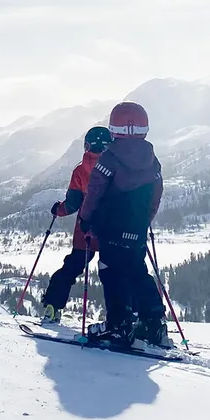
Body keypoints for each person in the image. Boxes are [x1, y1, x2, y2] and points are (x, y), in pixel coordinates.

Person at [78, 101, 173, 349]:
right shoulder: (153, 161)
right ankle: (153, 324)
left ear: (114, 127)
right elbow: (155, 196)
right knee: (137, 272)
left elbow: (94, 191)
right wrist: (143, 222)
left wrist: (86, 219)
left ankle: (119, 325)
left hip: (110, 227)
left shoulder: (109, 159)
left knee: (111, 272)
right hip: (137, 227)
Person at [40, 126, 113, 324]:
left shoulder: (80, 170)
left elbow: (72, 203)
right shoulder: (119, 167)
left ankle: (52, 307)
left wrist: (58, 210)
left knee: (72, 267)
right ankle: (125, 315)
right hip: (113, 229)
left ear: (87, 145)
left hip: (86, 230)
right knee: (118, 271)